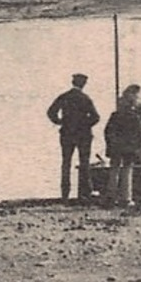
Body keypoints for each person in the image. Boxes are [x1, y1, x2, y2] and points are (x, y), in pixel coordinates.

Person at [46, 73, 101, 201]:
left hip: (67, 133)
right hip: (84, 134)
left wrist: (60, 121)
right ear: (84, 84)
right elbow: (96, 117)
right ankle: (84, 193)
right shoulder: (85, 98)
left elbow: (51, 112)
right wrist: (85, 125)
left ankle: (65, 193)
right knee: (84, 163)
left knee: (66, 162)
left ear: (73, 83)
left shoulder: (64, 97)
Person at [103, 84, 141, 207]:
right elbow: (139, 135)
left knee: (114, 170)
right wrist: (138, 148)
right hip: (128, 149)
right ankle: (126, 198)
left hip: (116, 148)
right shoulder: (134, 117)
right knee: (127, 171)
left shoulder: (114, 115)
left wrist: (110, 144)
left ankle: (110, 197)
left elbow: (107, 131)